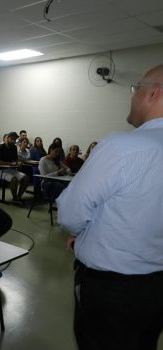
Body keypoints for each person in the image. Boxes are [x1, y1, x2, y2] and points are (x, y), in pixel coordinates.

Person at [57, 64, 163, 350]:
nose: (132, 96)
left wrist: (81, 233)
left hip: (113, 291)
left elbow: (71, 213)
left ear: (152, 93)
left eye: (135, 88)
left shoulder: (122, 146)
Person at [0, 132, 30, 204]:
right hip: (0, 171)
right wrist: (10, 163)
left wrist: (18, 163)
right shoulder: (0, 147)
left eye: (14, 139)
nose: (13, 141)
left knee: (26, 178)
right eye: (11, 139)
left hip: (10, 170)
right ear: (7, 138)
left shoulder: (14, 147)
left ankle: (18, 197)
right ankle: (15, 198)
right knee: (14, 179)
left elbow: (15, 160)